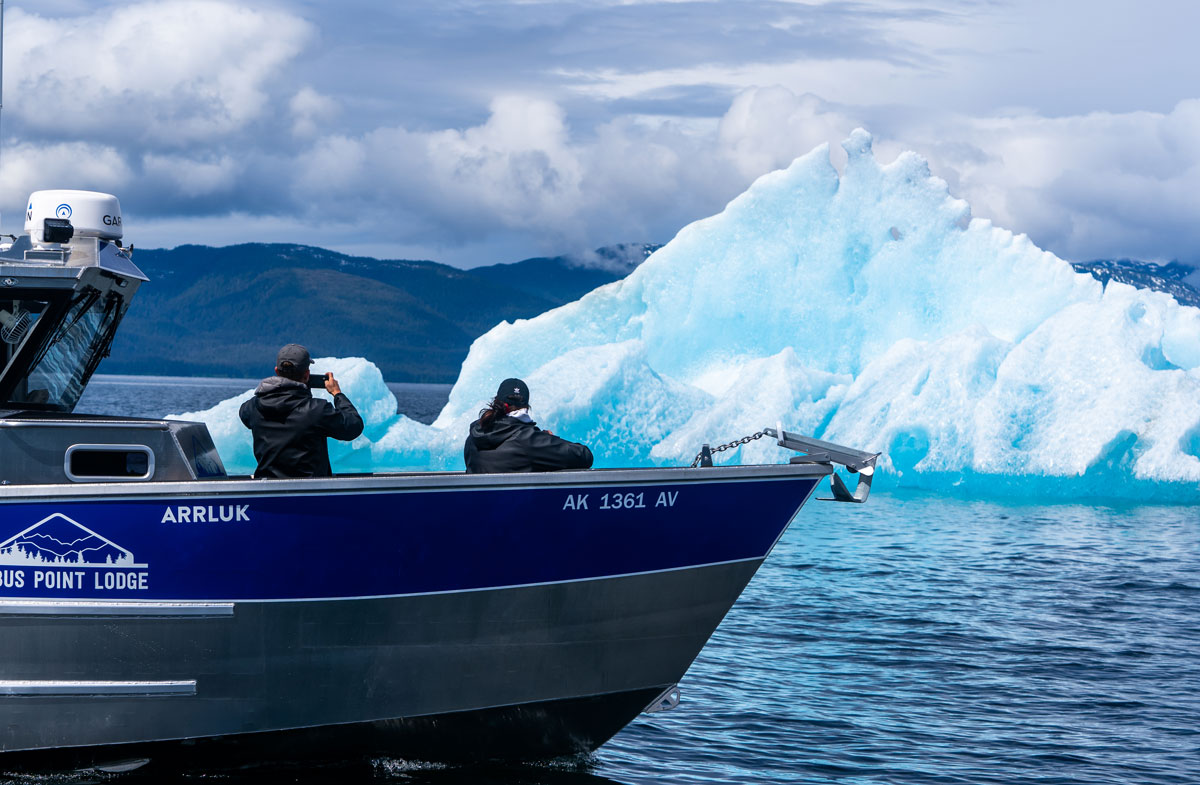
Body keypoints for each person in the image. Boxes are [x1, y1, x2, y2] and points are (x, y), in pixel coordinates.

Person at [238, 344, 364, 478]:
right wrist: (337, 394)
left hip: (268, 491)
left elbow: (244, 415)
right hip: (309, 492)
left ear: (276, 371)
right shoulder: (316, 410)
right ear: (307, 374)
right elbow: (353, 426)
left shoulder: (253, 407)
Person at [464, 378, 593, 474]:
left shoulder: (473, 437)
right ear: (526, 407)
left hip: (479, 506)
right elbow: (583, 456)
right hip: (516, 507)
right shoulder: (527, 440)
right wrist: (547, 439)